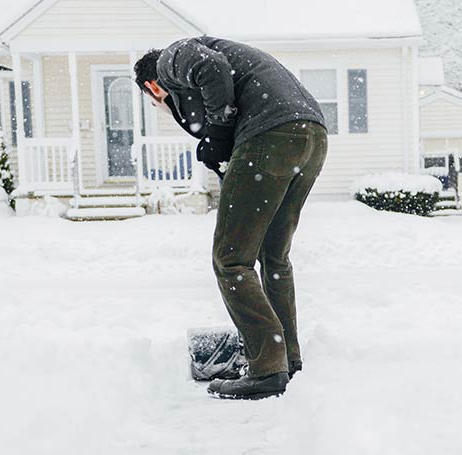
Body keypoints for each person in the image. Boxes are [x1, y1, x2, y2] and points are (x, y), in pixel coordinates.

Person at [134, 37, 328, 400]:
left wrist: (219, 134)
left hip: (270, 134)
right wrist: (221, 145)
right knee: (274, 257)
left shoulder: (170, 59)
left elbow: (211, 68)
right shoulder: (234, 64)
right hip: (310, 135)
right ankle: (287, 358)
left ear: (152, 87)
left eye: (153, 100)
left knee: (231, 259)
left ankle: (267, 366)